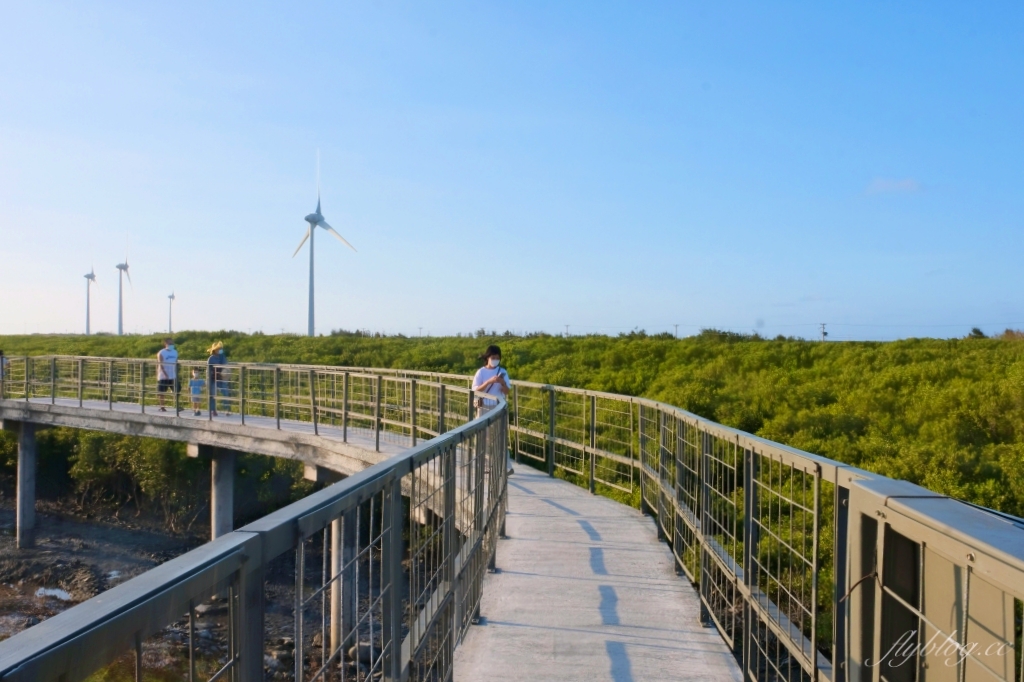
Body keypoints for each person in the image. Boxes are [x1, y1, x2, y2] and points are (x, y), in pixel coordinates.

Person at [472, 344, 513, 474]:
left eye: (497, 357)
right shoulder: (481, 372)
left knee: (500, 436)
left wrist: (502, 383)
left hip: (498, 408)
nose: (495, 359)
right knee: (483, 437)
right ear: (488, 357)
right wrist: (489, 382)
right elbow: (475, 390)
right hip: (484, 407)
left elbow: (506, 392)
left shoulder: (503, 372)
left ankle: (506, 467)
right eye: (493, 357)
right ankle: (484, 465)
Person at [156, 338, 178, 412]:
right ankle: (162, 406)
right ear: (165, 344)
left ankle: (177, 405)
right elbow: (160, 364)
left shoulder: (175, 352)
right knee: (162, 392)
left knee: (177, 389)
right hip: (163, 375)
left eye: (172, 343)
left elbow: (176, 362)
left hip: (172, 375)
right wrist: (165, 374)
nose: (171, 345)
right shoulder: (161, 353)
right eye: (170, 343)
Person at [207, 341, 228, 416]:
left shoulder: (222, 356)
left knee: (225, 393)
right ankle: (213, 410)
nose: (220, 350)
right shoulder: (211, 359)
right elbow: (208, 370)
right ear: (214, 350)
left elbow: (225, 364)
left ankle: (227, 410)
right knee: (213, 394)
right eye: (218, 349)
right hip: (213, 378)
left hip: (221, 378)